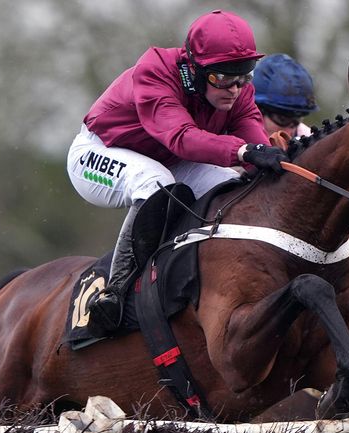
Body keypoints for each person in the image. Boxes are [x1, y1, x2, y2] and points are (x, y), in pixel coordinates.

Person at [66, 10, 289, 337]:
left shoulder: (238, 94)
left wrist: (280, 158)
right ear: (193, 71)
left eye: (243, 76)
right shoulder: (155, 73)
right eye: (223, 78)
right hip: (96, 154)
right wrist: (242, 152)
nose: (234, 88)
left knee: (231, 185)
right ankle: (114, 294)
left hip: (167, 159)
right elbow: (181, 138)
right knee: (154, 181)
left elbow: (255, 148)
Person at [253, 53, 319, 138]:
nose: (289, 132)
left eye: (297, 120)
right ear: (255, 110)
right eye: (282, 119)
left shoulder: (309, 140)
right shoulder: (232, 137)